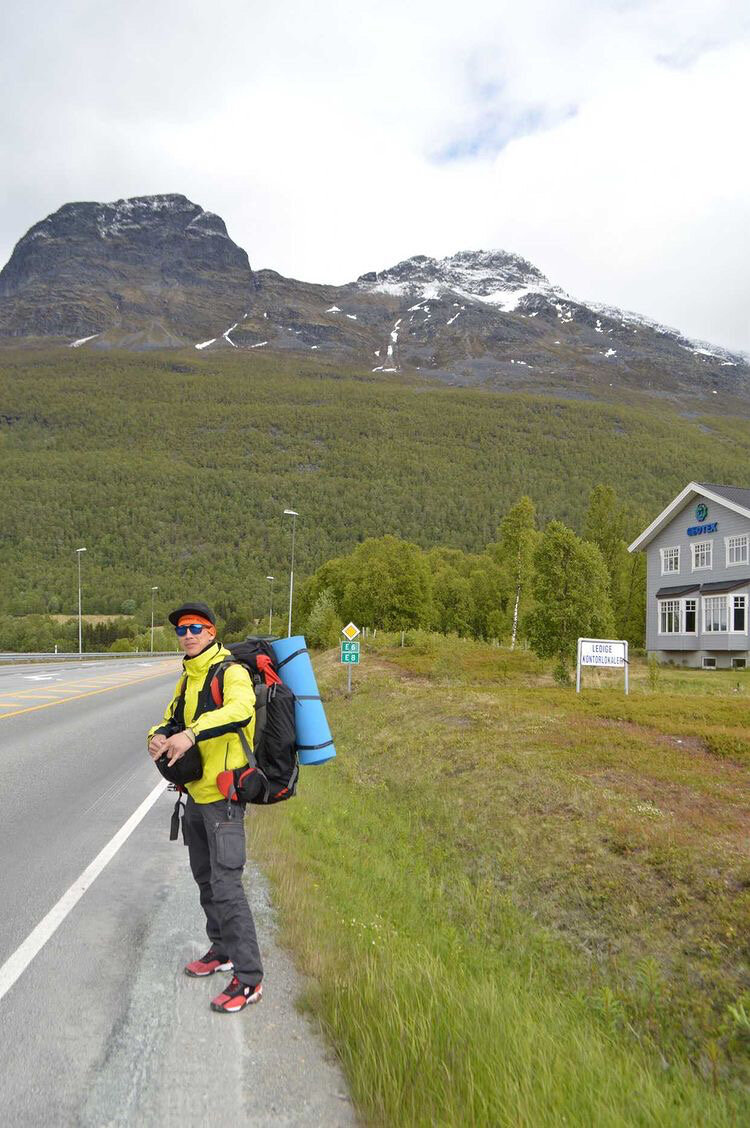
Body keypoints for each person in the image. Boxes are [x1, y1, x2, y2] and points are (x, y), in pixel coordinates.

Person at [147, 600, 264, 1013]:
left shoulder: (230, 671)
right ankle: (222, 950)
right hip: (194, 795)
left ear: (212, 632)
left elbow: (240, 710)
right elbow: (168, 718)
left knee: (228, 886)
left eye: (196, 627)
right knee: (205, 879)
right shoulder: (187, 678)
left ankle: (249, 978)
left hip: (225, 798)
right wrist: (157, 737)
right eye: (181, 629)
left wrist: (192, 735)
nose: (188, 634)